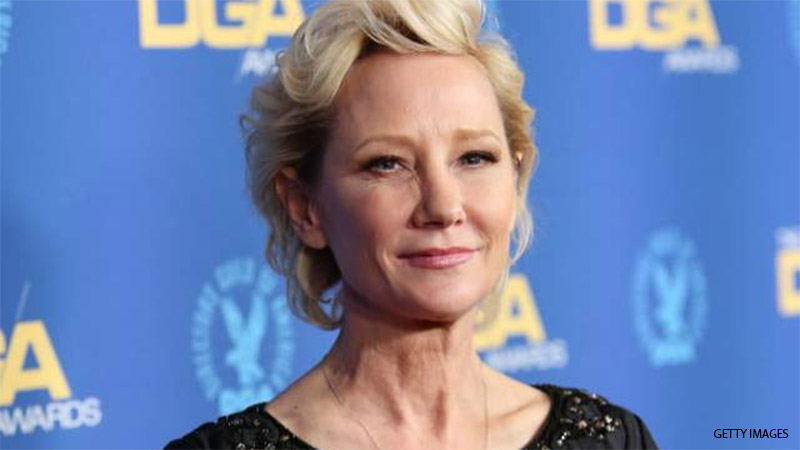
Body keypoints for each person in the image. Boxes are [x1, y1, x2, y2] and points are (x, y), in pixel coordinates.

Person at [166, 0, 658, 448]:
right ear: (304, 207)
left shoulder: (611, 440)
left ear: (515, 180)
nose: (443, 206)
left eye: (474, 157)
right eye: (387, 164)